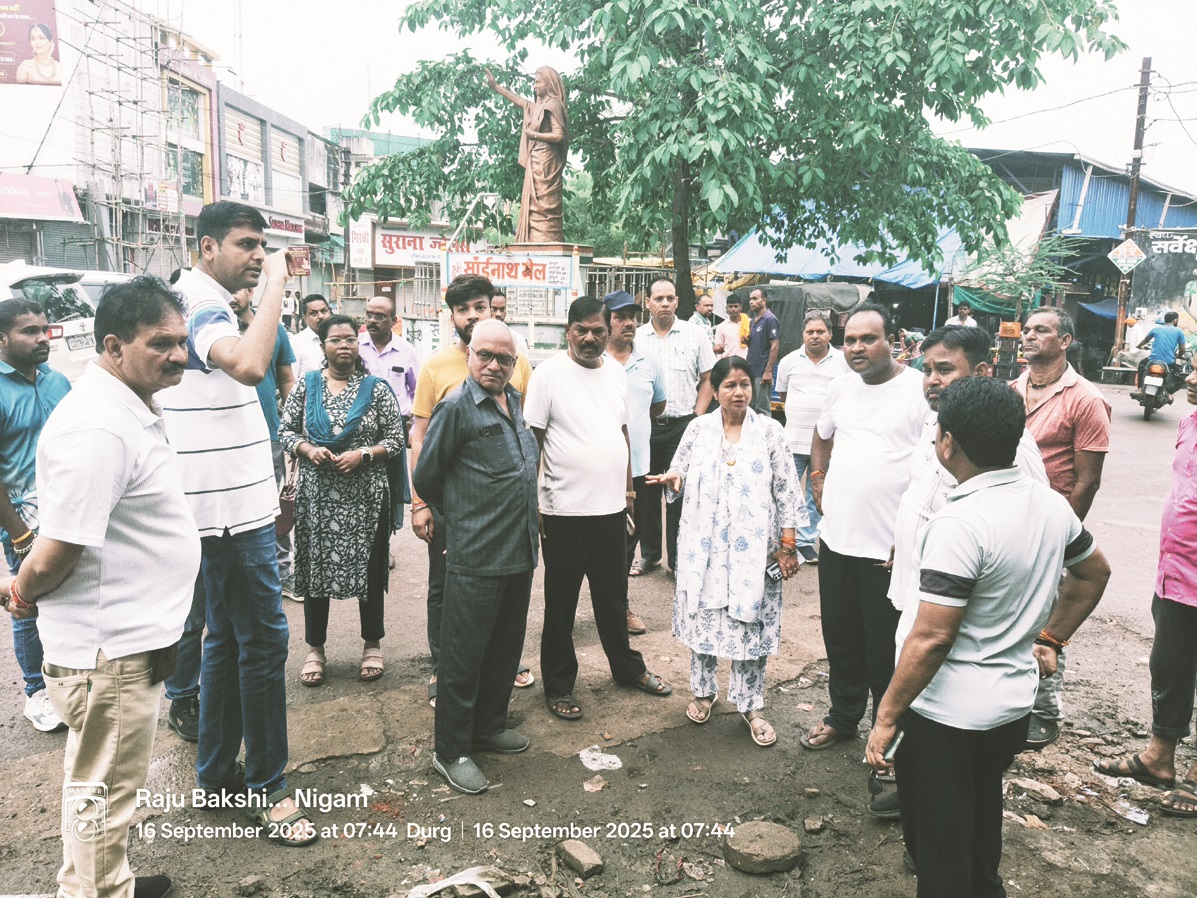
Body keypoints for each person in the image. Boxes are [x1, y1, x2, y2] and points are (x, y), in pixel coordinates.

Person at [866, 375, 1110, 898]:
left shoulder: (961, 523)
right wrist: (1051, 638)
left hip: (947, 716)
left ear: (948, 443)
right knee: (979, 818)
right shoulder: (1050, 505)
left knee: (939, 848)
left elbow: (932, 638)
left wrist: (885, 718)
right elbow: (1094, 573)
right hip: (1009, 709)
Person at [1, 276, 201, 898]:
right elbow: (59, 546)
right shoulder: (98, 425)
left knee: (100, 786)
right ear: (113, 345)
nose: (179, 356)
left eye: (182, 342)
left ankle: (96, 882)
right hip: (105, 654)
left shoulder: (127, 403)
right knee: (103, 795)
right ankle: (97, 891)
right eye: (161, 343)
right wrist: (23, 589)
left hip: (124, 641)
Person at [161, 201, 316, 847]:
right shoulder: (199, 305)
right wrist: (277, 283)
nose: (258, 255)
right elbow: (250, 367)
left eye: (264, 246)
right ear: (206, 247)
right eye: (247, 245)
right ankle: (270, 788)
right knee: (262, 643)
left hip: (226, 506)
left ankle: (217, 773)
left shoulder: (209, 300)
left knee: (224, 640)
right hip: (226, 515)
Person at [875, 325, 1047, 820]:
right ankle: (913, 801)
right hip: (917, 599)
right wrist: (904, 545)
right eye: (927, 369)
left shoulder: (1011, 446)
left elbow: (1029, 531)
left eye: (944, 369)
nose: (931, 380)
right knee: (914, 713)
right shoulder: (939, 431)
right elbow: (923, 501)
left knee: (942, 738)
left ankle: (933, 836)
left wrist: (1047, 636)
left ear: (983, 372)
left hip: (957, 628)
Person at [527, 297, 672, 720]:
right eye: (581, 330)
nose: (589, 338)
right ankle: (558, 685)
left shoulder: (615, 373)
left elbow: (622, 433)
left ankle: (627, 669)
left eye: (597, 331)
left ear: (608, 333)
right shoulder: (548, 375)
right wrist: (533, 501)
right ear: (568, 331)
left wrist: (627, 495)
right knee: (561, 604)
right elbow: (532, 442)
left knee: (613, 597)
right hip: (562, 512)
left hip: (610, 510)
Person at [649, 356, 803, 746]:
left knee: (749, 625)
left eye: (744, 384)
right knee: (705, 623)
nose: (739, 392)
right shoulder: (697, 430)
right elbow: (678, 472)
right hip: (704, 550)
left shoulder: (770, 432)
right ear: (715, 391)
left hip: (755, 553)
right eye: (730, 385)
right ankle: (703, 693)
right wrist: (674, 479)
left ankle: (750, 704)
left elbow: (786, 492)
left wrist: (787, 546)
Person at [412, 320, 539, 794]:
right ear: (469, 356)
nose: (494, 365)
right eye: (485, 355)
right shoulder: (456, 407)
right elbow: (427, 477)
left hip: (519, 550)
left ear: (514, 364)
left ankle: (488, 726)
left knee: (504, 650)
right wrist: (465, 518)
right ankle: (452, 750)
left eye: (504, 359)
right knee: (463, 657)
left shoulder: (516, 402)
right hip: (475, 553)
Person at [802, 303, 925, 751]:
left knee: (885, 646)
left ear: (892, 341)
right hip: (837, 540)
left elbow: (935, 462)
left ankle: (887, 729)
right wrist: (818, 477)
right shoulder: (841, 388)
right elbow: (822, 433)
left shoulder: (919, 390)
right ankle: (843, 715)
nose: (856, 348)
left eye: (867, 339)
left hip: (888, 550)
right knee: (841, 636)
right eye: (849, 339)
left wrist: (913, 532)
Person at [1093, 366, 1197, 816]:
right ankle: (1159, 757)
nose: (1192, 375)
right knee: (1170, 663)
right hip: (1176, 569)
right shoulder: (1190, 420)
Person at [279, 315, 402, 687]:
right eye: (336, 340)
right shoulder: (307, 385)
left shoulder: (377, 389)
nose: (344, 345)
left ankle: (372, 644)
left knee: (369, 569)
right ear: (323, 346)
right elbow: (284, 430)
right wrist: (306, 448)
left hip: (365, 498)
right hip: (317, 500)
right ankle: (315, 649)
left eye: (350, 339)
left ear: (358, 345)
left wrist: (363, 455)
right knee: (316, 574)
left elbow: (396, 439)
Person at [1013, 307, 1111, 749]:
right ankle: (1012, 700)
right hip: (1009, 518)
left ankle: (1044, 710)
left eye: (1041, 331)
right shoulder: (1013, 390)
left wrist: (1061, 536)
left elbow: (1088, 480)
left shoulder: (1085, 399)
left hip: (1053, 524)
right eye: (1027, 330)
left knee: (1048, 615)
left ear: (1065, 340)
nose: (1028, 336)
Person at [0, 299, 70, 733]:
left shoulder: (58, 380)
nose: (43, 338)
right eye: (30, 331)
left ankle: (68, 682)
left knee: (70, 597)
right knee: (28, 601)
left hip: (66, 510)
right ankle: (35, 692)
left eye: (45, 329)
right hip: (22, 519)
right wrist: (19, 533)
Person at [633, 277, 715, 577]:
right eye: (658, 299)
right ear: (648, 303)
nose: (665, 303)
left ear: (677, 302)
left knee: (679, 493)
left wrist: (697, 415)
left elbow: (708, 378)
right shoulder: (637, 338)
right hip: (645, 426)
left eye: (670, 298)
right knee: (647, 492)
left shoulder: (695, 335)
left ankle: (679, 561)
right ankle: (650, 555)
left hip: (683, 426)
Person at [603, 290, 665, 632]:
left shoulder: (650, 362)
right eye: (620, 317)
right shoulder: (595, 360)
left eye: (633, 316)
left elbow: (658, 406)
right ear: (606, 320)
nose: (629, 323)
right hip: (599, 470)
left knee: (629, 539)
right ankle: (580, 608)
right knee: (593, 542)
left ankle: (620, 606)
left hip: (638, 469)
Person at [230, 287, 298, 598]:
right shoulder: (215, 329)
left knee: (275, 505)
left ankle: (282, 571)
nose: (234, 294)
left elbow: (286, 378)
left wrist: (294, 424)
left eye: (239, 288)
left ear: (251, 290)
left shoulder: (272, 329)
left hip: (267, 433)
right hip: (225, 438)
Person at [776, 311, 850, 565]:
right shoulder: (788, 362)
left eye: (820, 331)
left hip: (827, 443)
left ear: (830, 334)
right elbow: (784, 397)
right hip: (793, 440)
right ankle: (782, 539)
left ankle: (807, 542)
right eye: (810, 332)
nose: (815, 336)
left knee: (815, 492)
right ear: (803, 335)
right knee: (785, 490)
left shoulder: (844, 362)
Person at [485, 66, 568, 244]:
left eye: (538, 82)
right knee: (533, 206)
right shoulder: (535, 107)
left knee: (546, 206)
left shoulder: (554, 104)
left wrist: (534, 135)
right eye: (534, 82)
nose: (534, 86)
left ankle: (546, 240)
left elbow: (559, 135)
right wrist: (496, 87)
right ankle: (533, 240)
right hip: (535, 161)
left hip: (547, 164)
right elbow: (520, 101)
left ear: (549, 84)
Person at [358, 294, 420, 426]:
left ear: (393, 321)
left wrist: (415, 427)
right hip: (362, 423)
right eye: (369, 315)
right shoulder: (355, 347)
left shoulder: (407, 351)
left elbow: (418, 392)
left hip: (398, 422)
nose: (372, 320)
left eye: (379, 316)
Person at [747, 287, 781, 415]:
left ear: (764, 300)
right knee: (750, 407)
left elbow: (775, 345)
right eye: (750, 299)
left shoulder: (770, 319)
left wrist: (768, 371)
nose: (751, 302)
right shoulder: (753, 321)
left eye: (755, 299)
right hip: (751, 370)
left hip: (762, 372)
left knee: (762, 409)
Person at [290, 294, 331, 378]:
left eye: (324, 311)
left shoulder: (340, 338)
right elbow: (292, 382)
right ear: (305, 319)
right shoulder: (296, 343)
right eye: (313, 313)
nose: (320, 316)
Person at [713, 295, 748, 359]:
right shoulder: (721, 327)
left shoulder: (749, 323)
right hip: (728, 363)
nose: (733, 309)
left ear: (741, 307)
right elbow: (719, 349)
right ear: (726, 308)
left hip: (746, 362)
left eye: (736, 306)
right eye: (730, 306)